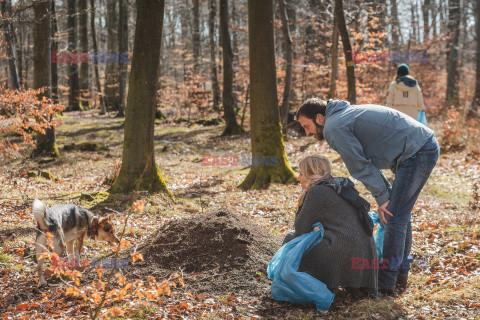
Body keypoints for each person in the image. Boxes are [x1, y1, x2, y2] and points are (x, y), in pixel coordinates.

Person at [296, 98, 439, 295]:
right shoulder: (343, 116)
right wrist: (385, 195)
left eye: (307, 126)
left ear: (320, 118)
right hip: (420, 147)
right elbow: (367, 163)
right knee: (398, 215)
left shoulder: (334, 128)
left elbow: (360, 166)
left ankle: (386, 281)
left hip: (417, 152)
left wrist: (383, 198)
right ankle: (399, 275)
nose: (307, 133)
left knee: (393, 216)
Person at [283, 155, 378, 298]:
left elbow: (301, 229)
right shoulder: (338, 185)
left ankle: (306, 286)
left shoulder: (317, 192)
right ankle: (353, 285)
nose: (298, 178)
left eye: (301, 174)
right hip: (365, 251)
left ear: (311, 175)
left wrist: (301, 203)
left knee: (291, 239)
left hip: (345, 249)